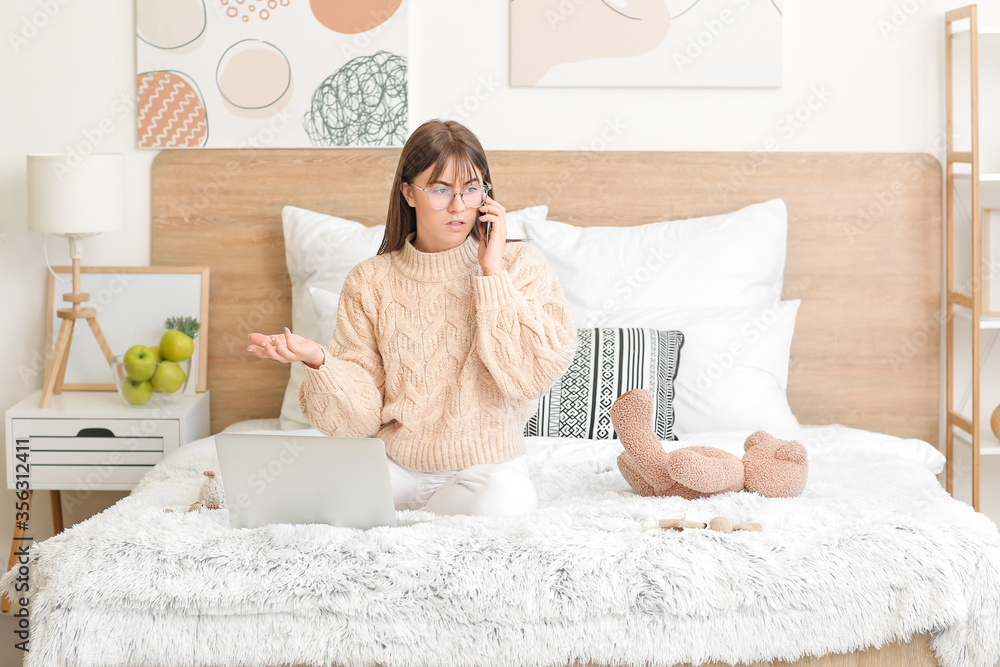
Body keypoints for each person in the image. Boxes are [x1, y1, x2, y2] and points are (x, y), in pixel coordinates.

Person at [247, 119, 577, 517]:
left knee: (504, 500)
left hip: (487, 472)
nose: (458, 206)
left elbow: (530, 376)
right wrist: (319, 361)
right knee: (295, 500)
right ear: (408, 192)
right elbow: (360, 421)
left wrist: (492, 273)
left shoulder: (520, 264)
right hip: (396, 469)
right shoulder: (370, 280)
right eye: (440, 190)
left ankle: (405, 531)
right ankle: (420, 526)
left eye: (471, 189)